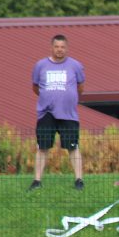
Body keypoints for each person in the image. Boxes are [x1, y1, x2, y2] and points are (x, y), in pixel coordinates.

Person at [29, 35, 86, 191]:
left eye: (62, 47)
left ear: (66, 48)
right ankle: (37, 181)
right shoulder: (40, 65)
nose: (59, 50)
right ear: (51, 47)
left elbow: (80, 87)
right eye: (57, 47)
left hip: (68, 113)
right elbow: (35, 87)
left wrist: (69, 98)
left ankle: (79, 180)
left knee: (73, 146)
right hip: (46, 113)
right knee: (43, 146)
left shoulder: (75, 65)